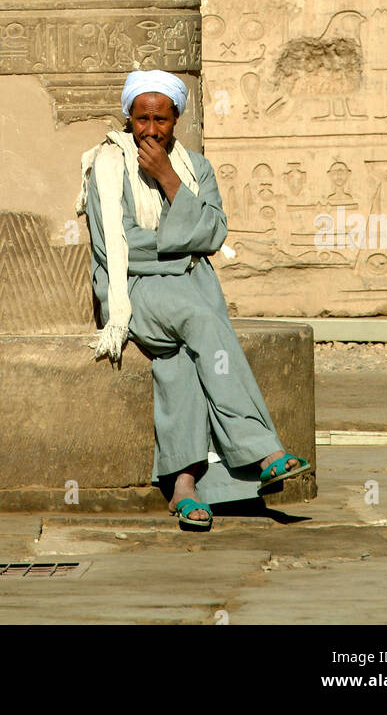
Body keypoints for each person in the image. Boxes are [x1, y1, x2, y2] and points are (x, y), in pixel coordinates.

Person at [78, 70, 310, 531]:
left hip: (191, 284)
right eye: (141, 118)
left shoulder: (194, 168)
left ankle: (184, 486)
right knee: (200, 319)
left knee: (182, 359)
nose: (149, 129)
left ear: (176, 118)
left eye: (160, 119)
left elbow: (214, 233)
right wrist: (182, 244)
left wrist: (167, 179)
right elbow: (118, 244)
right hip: (136, 290)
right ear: (128, 116)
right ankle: (262, 449)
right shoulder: (107, 166)